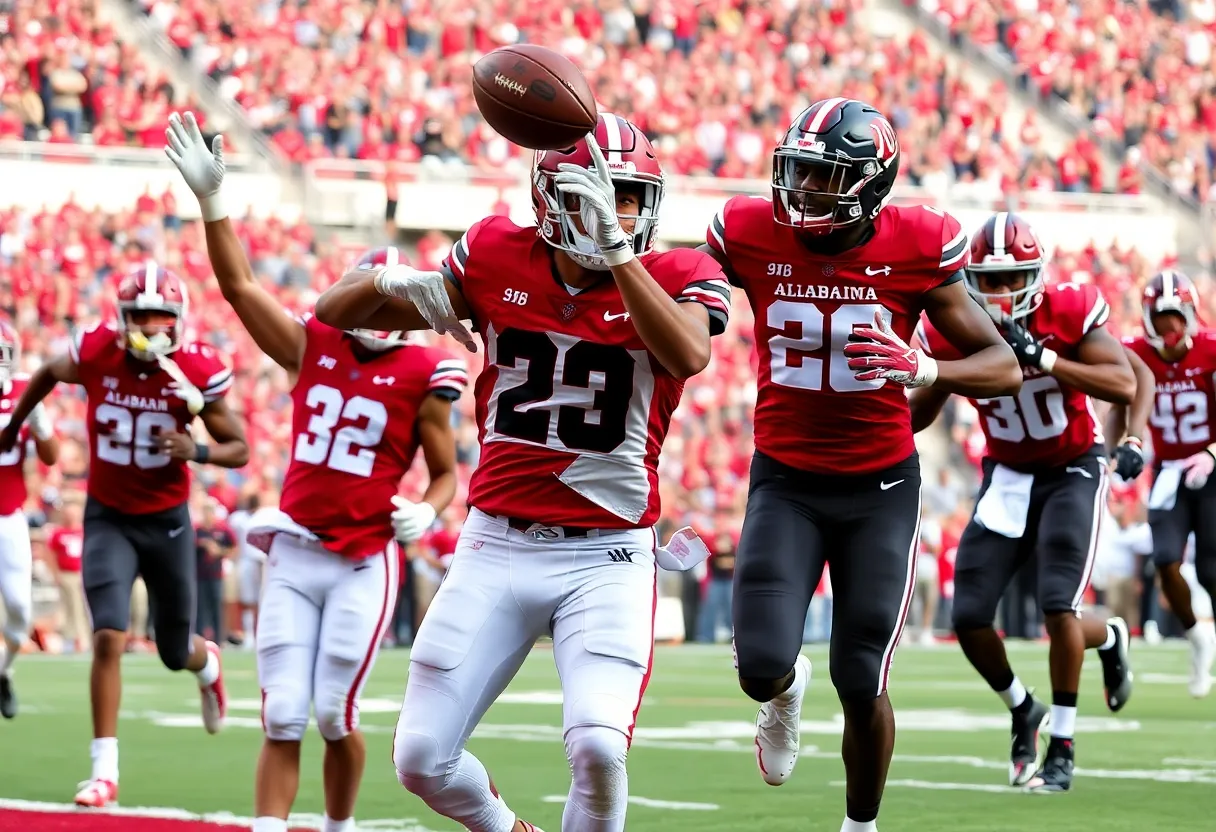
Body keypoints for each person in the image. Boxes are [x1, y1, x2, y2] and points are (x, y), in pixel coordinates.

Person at [314, 113, 720, 832]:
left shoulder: (675, 274)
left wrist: (621, 255)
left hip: (608, 552)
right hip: (495, 542)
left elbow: (690, 355)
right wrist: (398, 278)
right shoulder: (496, 252)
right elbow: (332, 310)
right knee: (420, 759)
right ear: (548, 198)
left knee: (598, 745)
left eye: (627, 195)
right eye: (598, 194)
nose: (614, 211)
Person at [697, 98, 1022, 832]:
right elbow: (683, 291)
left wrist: (927, 368)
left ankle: (860, 826)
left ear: (870, 185)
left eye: (821, 177)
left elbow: (1002, 363)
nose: (802, 191)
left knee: (862, 674)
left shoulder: (919, 243)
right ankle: (785, 692)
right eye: (798, 172)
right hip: (785, 478)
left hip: (880, 487)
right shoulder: (749, 229)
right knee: (759, 665)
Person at [165, 110, 468, 832]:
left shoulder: (426, 372)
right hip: (297, 548)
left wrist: (428, 508)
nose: (364, 308)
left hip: (365, 556)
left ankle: (338, 826)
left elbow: (445, 473)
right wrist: (214, 203)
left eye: (378, 297)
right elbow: (239, 287)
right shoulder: (313, 346)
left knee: (334, 713)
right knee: (282, 712)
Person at [911, 211, 1151, 792]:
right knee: (967, 614)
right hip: (1009, 472)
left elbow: (1126, 380)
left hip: (1072, 465)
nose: (996, 293)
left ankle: (1063, 745)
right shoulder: (953, 325)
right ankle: (1023, 707)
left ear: (1034, 276)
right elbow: (916, 419)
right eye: (986, 281)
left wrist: (1044, 359)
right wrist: (937, 371)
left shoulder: (1066, 311)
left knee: (1056, 605)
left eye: (1009, 278)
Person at [0, 262, 249, 808]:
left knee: (170, 648)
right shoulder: (96, 351)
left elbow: (240, 448)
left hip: (168, 519)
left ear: (178, 323)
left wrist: (198, 449)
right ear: (121, 318)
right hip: (108, 514)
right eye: (140, 318)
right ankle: (104, 772)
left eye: (162, 320)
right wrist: (18, 423)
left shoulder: (193, 370)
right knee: (108, 635)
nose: (150, 329)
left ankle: (205, 662)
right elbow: (46, 371)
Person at [1117, 270, 1216, 698]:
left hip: (1211, 468)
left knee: (1212, 571)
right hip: (1169, 472)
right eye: (1161, 318)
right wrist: (1122, 444)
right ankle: (1197, 637)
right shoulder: (1137, 352)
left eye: (1176, 317)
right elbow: (1116, 392)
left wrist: (1212, 452)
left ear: (1192, 315)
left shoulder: (1211, 348)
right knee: (1165, 561)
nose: (1170, 327)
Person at [0, 318, 60, 718]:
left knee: (20, 610)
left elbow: (52, 458)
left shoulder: (25, 391)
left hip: (9, 517)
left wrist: (40, 426)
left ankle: (3, 673)